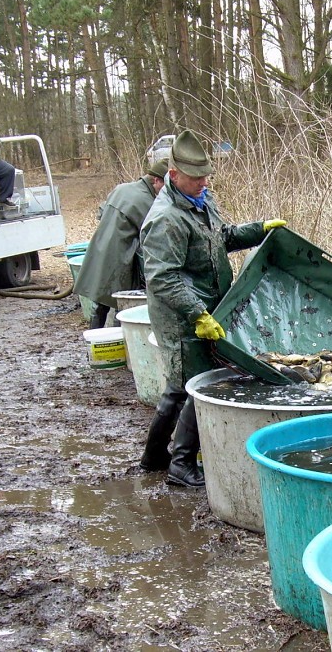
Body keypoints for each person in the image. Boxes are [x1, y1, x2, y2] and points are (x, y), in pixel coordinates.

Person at [137, 129, 286, 487]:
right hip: (182, 316)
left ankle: (154, 456)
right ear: (174, 176)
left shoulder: (201, 200)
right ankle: (182, 465)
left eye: (207, 175)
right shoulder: (167, 219)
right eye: (196, 176)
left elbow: (223, 237)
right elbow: (162, 278)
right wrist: (198, 314)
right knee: (197, 386)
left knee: (177, 386)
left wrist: (258, 230)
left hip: (207, 307)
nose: (204, 181)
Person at [74, 158, 169, 328]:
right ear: (156, 180)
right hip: (121, 257)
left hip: (99, 249)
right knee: (123, 304)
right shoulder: (146, 201)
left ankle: (94, 345)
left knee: (100, 302)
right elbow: (153, 235)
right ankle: (122, 345)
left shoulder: (122, 188)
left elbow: (101, 212)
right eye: (165, 186)